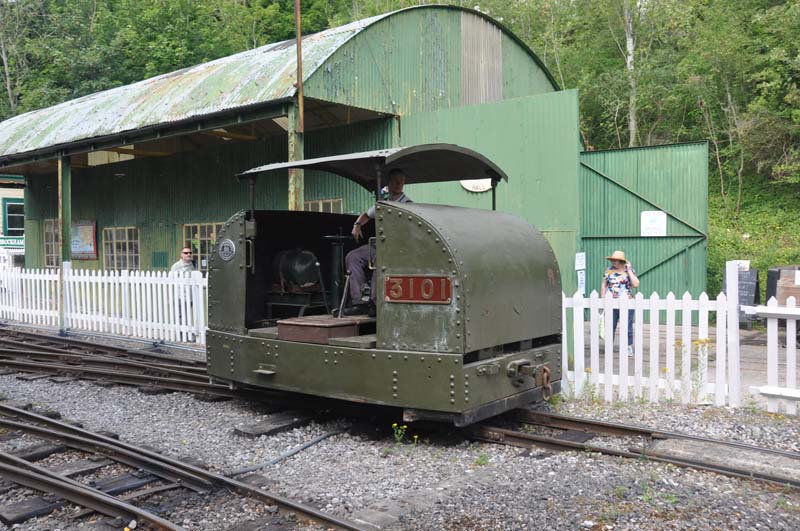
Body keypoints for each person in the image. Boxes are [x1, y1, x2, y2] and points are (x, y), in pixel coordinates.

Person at [343, 169, 412, 316]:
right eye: (395, 181)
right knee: (353, 257)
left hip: (395, 248)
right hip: (378, 244)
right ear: (389, 183)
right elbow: (367, 215)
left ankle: (375, 302)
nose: (399, 184)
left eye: (401, 181)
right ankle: (359, 302)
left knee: (379, 259)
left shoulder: (407, 204)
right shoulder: (383, 202)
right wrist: (357, 225)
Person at [600, 250, 640, 356]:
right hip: (611, 302)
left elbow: (636, 284)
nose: (613, 262)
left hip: (627, 302)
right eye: (612, 260)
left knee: (627, 326)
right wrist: (602, 300)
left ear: (621, 261)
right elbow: (604, 285)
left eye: (616, 260)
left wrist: (629, 270)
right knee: (610, 325)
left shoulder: (629, 271)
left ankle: (628, 347)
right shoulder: (608, 270)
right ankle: (608, 346)